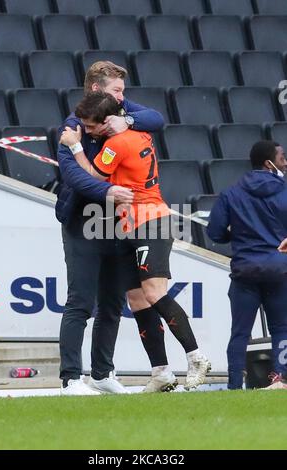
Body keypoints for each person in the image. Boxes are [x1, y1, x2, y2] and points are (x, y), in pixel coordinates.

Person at [60, 91, 211, 392]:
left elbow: (93, 174)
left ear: (107, 123)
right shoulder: (138, 132)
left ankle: (196, 357)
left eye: (91, 127)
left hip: (150, 222)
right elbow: (151, 119)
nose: (88, 131)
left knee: (154, 294)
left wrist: (75, 146)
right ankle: (161, 372)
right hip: (132, 225)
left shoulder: (117, 143)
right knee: (137, 299)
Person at [57, 61, 166, 395]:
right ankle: (71, 378)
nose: (123, 96)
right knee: (80, 301)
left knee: (111, 304)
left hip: (118, 222)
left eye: (122, 90)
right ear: (96, 88)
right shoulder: (74, 126)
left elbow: (157, 119)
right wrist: (106, 190)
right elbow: (72, 176)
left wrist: (127, 120)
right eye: (117, 90)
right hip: (84, 218)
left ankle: (102, 374)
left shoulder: (119, 112)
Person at [207, 140, 287, 390]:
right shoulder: (285, 190)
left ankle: (234, 384)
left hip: (245, 271)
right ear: (269, 162)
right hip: (279, 269)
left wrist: (239, 235)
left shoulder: (231, 193)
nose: (285, 162)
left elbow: (215, 232)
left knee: (240, 332)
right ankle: (281, 379)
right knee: (282, 328)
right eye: (282, 157)